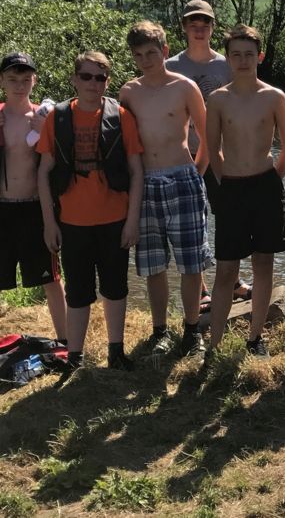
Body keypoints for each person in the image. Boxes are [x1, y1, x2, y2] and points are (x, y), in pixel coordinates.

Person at [36, 52, 143, 370]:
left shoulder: (121, 116)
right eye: (86, 76)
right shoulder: (57, 118)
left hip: (115, 219)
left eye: (100, 78)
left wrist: (132, 220)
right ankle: (75, 356)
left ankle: (116, 352)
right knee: (78, 291)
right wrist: (49, 223)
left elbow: (136, 171)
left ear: (107, 82)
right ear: (74, 79)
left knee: (115, 288)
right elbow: (43, 172)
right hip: (72, 221)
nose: (92, 83)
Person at [119, 20, 213, 358]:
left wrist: (196, 173)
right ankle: (160, 330)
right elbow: (126, 144)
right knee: (153, 263)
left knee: (191, 263)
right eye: (139, 55)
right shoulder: (129, 92)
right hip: (146, 183)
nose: (146, 60)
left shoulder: (185, 86)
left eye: (151, 53)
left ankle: (191, 330)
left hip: (183, 178)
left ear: (165, 51)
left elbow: (207, 134)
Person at [0, 52, 67, 348]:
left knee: (51, 280)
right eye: (12, 79)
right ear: (1, 81)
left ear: (34, 80)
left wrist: (44, 134)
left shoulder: (45, 118)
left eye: (25, 79)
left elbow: (61, 168)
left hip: (36, 210)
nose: (19, 86)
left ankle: (66, 343)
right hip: (0, 211)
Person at [204, 25, 285, 360]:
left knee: (263, 263)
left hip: (265, 186)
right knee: (226, 268)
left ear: (260, 56)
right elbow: (212, 149)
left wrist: (273, 179)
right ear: (228, 58)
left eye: (249, 54)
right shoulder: (218, 99)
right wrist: (225, 182)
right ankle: (213, 344)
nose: (243, 60)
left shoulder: (274, 96)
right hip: (231, 187)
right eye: (236, 55)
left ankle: (255, 337)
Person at [165, 0, 252, 308]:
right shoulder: (170, 66)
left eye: (205, 24)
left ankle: (233, 282)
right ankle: (201, 290)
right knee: (193, 222)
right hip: (183, 156)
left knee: (230, 217)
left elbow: (241, 101)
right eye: (193, 24)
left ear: (213, 27)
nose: (199, 29)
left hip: (223, 155)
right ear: (184, 28)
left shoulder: (226, 64)